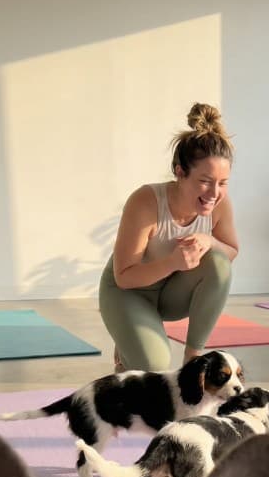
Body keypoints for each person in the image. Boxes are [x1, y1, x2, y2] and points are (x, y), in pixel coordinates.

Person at [99, 103, 238, 372]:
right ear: (179, 172)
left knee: (219, 263)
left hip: (171, 294)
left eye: (223, 183)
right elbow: (124, 277)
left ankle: (192, 362)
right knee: (154, 366)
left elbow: (231, 249)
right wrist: (173, 262)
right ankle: (130, 341)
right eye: (205, 181)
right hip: (128, 293)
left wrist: (209, 241)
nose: (214, 193)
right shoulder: (146, 202)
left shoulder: (219, 203)